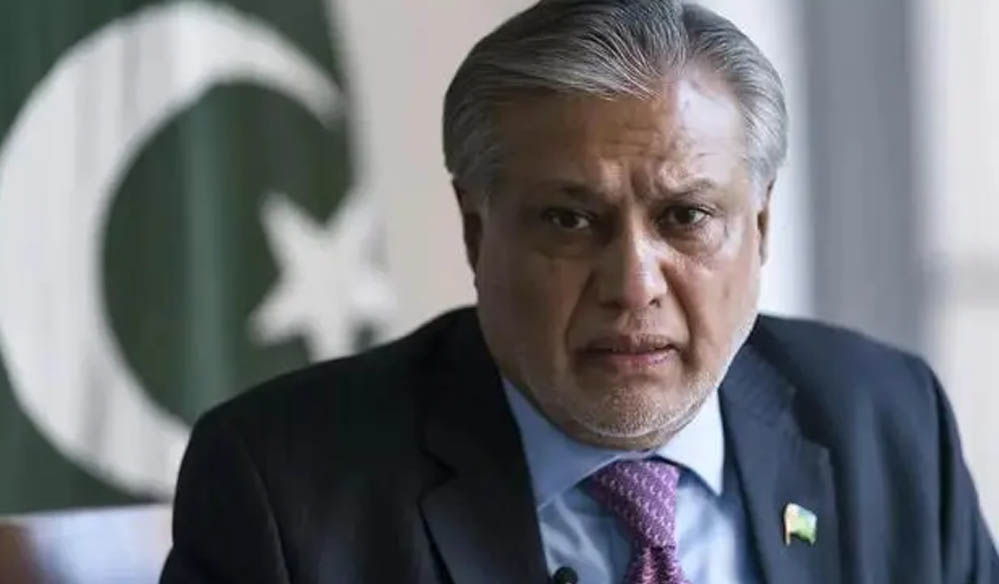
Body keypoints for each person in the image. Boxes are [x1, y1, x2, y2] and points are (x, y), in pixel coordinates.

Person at [160, 1, 999, 582]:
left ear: (760, 228)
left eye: (685, 217)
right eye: (568, 220)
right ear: (476, 232)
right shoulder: (286, 486)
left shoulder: (884, 422)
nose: (633, 285)